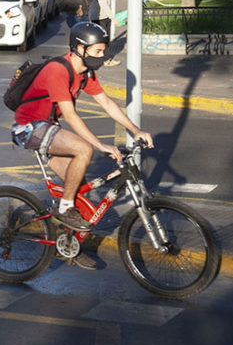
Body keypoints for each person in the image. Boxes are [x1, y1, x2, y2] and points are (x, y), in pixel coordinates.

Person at [11, 22, 154, 269]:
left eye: (103, 51)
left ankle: (69, 247)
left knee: (77, 186)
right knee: (84, 149)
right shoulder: (58, 70)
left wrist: (135, 130)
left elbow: (106, 103)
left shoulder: (85, 73)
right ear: (80, 48)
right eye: (98, 51)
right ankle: (65, 208)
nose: (103, 56)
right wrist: (100, 145)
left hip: (49, 127)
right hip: (29, 127)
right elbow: (70, 115)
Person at [89, 0, 122, 66]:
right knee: (102, 39)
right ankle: (105, 59)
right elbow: (104, 4)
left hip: (105, 17)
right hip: (99, 17)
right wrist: (113, 18)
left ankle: (104, 58)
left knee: (105, 39)